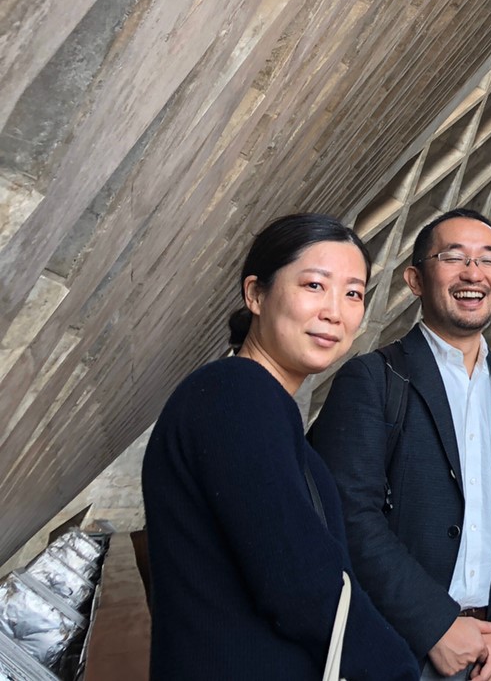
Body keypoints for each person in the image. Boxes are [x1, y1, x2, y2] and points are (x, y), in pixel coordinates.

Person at [142, 213, 418, 681]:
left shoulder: (255, 401)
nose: (335, 310)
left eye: (353, 293)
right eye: (314, 285)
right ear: (255, 294)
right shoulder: (235, 395)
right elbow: (298, 578)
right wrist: (397, 670)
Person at [311, 209, 491, 681]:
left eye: (487, 260)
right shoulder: (373, 379)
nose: (472, 273)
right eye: (453, 257)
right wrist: (435, 626)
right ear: (415, 279)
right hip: (400, 645)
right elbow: (350, 515)